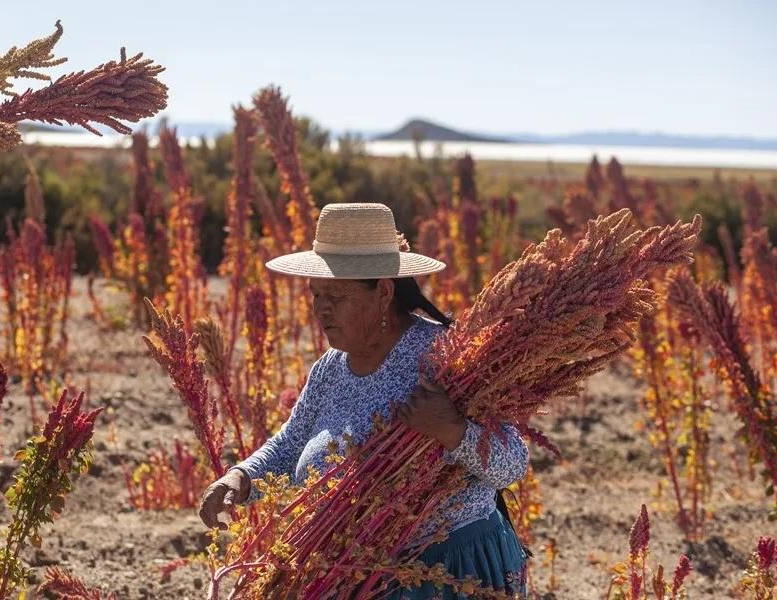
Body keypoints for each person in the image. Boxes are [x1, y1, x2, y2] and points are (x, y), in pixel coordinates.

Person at [199, 202, 530, 598]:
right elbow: (291, 442)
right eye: (316, 294)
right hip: (356, 570)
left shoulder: (445, 358)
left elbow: (513, 462)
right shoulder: (331, 368)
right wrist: (241, 477)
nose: (321, 310)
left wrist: (452, 430)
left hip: (448, 573)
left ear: (383, 292)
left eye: (336, 297)